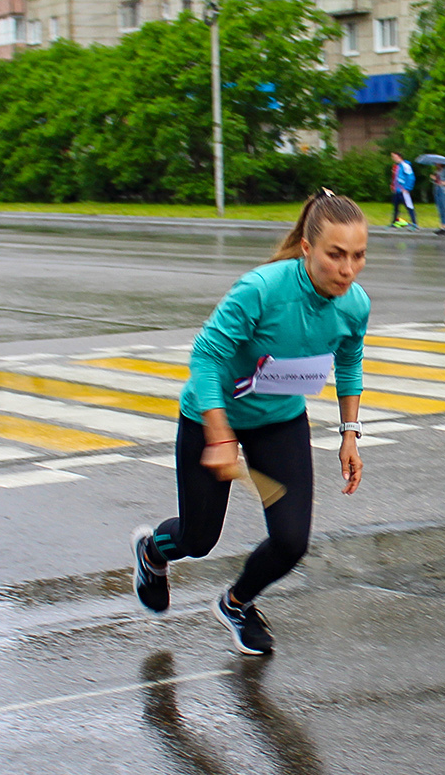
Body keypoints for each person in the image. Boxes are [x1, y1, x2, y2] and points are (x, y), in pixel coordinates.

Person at [132, 190, 370, 655]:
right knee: (199, 539)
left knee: (290, 540)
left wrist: (349, 434)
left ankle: (237, 603)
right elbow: (205, 357)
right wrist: (220, 434)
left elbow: (350, 361)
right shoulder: (261, 289)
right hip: (211, 413)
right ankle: (152, 552)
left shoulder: (354, 303)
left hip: (279, 418)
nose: (347, 269)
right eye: (335, 255)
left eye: (358, 256)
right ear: (307, 248)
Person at [388, 153, 417, 229]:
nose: (393, 158)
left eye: (394, 156)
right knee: (396, 207)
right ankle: (394, 222)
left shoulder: (405, 166)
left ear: (399, 157)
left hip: (403, 191)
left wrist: (407, 188)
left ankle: (414, 223)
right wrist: (393, 185)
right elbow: (396, 177)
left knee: (409, 206)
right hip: (397, 190)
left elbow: (411, 177)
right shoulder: (396, 166)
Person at [432, 164, 445, 234]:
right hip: (437, 189)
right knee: (440, 208)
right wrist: (434, 179)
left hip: (444, 190)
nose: (437, 164)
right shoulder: (437, 171)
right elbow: (437, 181)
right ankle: (442, 226)